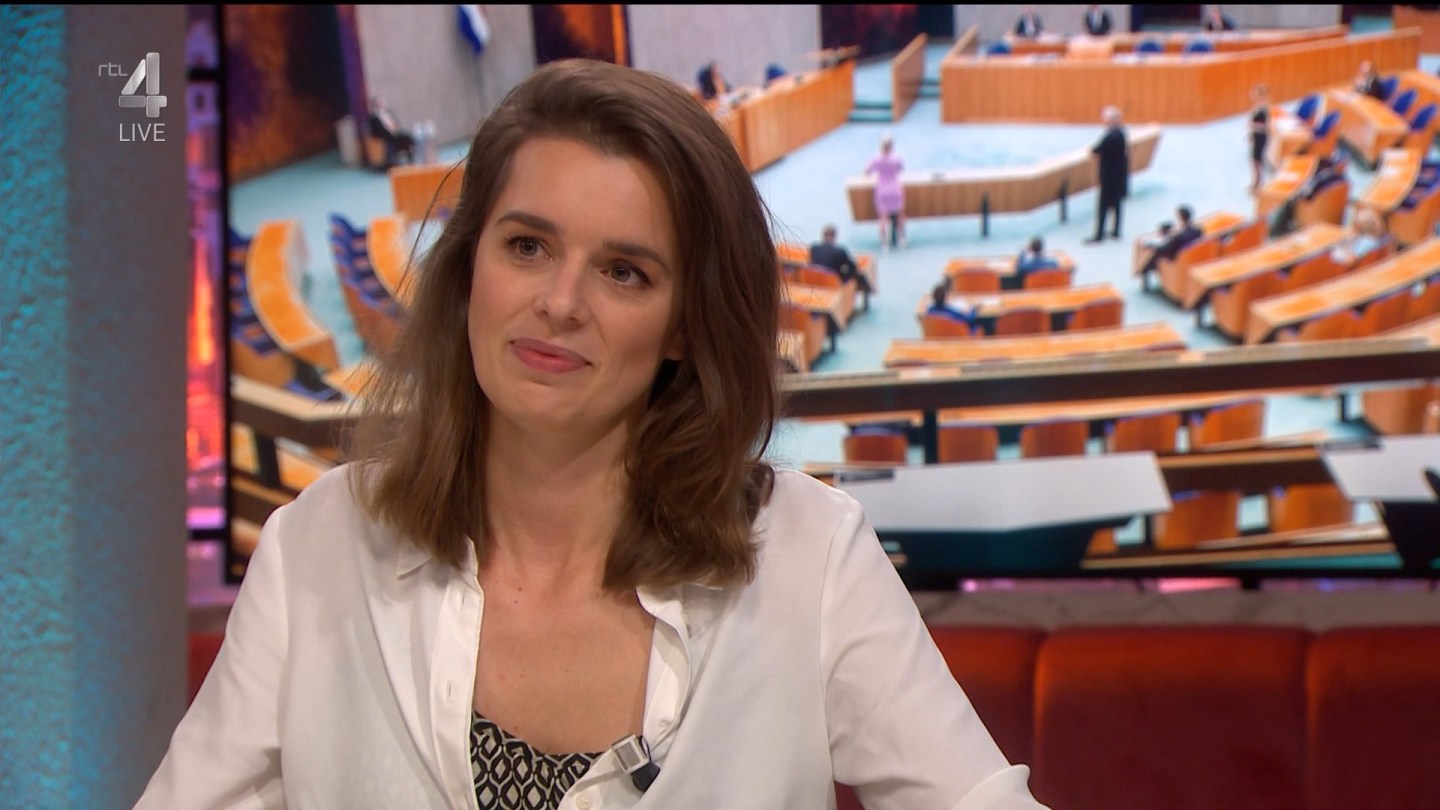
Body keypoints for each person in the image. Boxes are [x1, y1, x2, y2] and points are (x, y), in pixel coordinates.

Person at [134, 59, 1047, 809]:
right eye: (527, 246)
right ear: (470, 266)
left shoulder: (812, 554)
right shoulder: (316, 546)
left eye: (623, 272)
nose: (560, 303)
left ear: (684, 326)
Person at [1088, 105, 1129, 243]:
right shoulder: (1122, 133)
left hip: (1108, 176)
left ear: (1111, 120)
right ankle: (1116, 231)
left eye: (1105, 119)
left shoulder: (1110, 136)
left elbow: (1096, 150)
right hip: (1118, 175)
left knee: (1103, 206)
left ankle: (1099, 234)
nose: (1104, 121)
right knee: (1116, 204)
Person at [865, 135, 907, 251]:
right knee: (900, 216)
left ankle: (884, 244)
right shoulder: (897, 158)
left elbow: (867, 172)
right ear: (891, 146)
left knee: (882, 218)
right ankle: (902, 239)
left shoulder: (875, 159)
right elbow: (900, 169)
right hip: (895, 189)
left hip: (882, 190)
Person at [809, 223, 872, 297]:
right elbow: (853, 267)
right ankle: (863, 293)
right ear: (834, 236)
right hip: (832, 282)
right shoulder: (840, 252)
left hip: (814, 280)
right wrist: (845, 275)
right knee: (857, 275)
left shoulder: (814, 248)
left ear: (823, 236)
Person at [1139, 205, 1202, 277]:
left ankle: (1145, 271)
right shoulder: (1198, 230)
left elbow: (1166, 247)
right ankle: (1148, 270)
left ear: (1180, 218)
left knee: (1157, 253)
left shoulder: (1179, 236)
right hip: (1193, 256)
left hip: (1179, 258)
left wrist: (1150, 245)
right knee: (1157, 253)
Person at [368, 96, 416, 170]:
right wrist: (390, 132)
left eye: (382, 102)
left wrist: (395, 127)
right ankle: (391, 164)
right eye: (379, 103)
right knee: (391, 143)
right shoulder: (374, 118)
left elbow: (397, 123)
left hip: (395, 134)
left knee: (408, 138)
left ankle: (410, 160)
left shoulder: (389, 113)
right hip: (385, 137)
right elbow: (378, 131)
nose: (381, 104)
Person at [1249, 84, 1270, 193]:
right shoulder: (1256, 107)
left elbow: (1266, 126)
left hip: (1261, 137)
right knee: (1254, 160)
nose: (1253, 96)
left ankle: (1259, 183)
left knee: (1258, 160)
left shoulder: (1263, 108)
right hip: (1256, 136)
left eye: (1256, 94)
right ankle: (1256, 181)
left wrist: (1254, 126)